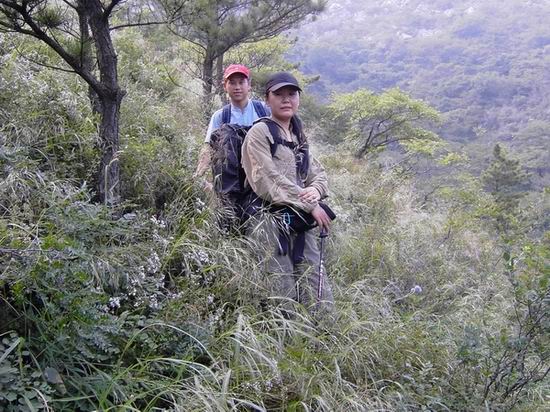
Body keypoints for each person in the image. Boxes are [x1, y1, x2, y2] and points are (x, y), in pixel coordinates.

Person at [241, 71, 334, 313]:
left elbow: (318, 173)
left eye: (291, 94)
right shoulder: (259, 133)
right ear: (267, 99)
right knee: (282, 292)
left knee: (317, 288)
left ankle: (323, 333)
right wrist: (311, 204)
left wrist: (315, 190)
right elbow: (266, 178)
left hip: (300, 221)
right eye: (279, 94)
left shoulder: (298, 135)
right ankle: (283, 335)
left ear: (298, 99)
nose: (286, 99)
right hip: (269, 220)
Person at [193, 64, 270, 188]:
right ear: (225, 86)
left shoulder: (264, 110)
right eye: (232, 83)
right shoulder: (220, 116)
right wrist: (198, 175)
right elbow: (208, 147)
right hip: (232, 181)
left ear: (249, 85)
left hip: (263, 176)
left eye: (241, 82)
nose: (237, 87)